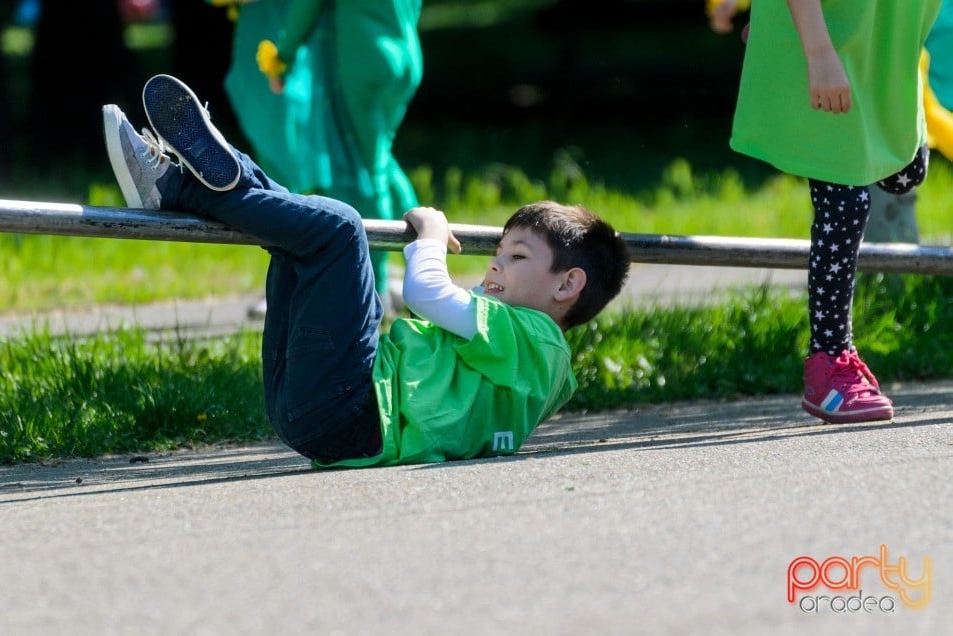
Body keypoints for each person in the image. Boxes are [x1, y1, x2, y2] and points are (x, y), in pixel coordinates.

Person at [101, 74, 631, 468]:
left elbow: (426, 294)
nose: (495, 263)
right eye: (500, 251)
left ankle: (176, 187)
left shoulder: (533, 338)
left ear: (568, 284)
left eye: (517, 257)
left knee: (340, 230)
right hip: (324, 419)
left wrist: (428, 237)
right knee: (299, 240)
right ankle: (203, 171)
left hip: (353, 410)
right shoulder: (531, 359)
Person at [729, 0, 941, 424]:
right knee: (845, 205)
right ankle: (829, 364)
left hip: (878, 47)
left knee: (906, 171)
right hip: (825, 43)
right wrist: (817, 54)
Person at [210, 0, 423, 316]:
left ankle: (374, 292)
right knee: (380, 162)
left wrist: (283, 53)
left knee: (368, 172)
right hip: (405, 51)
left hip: (366, 56)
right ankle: (421, 274)